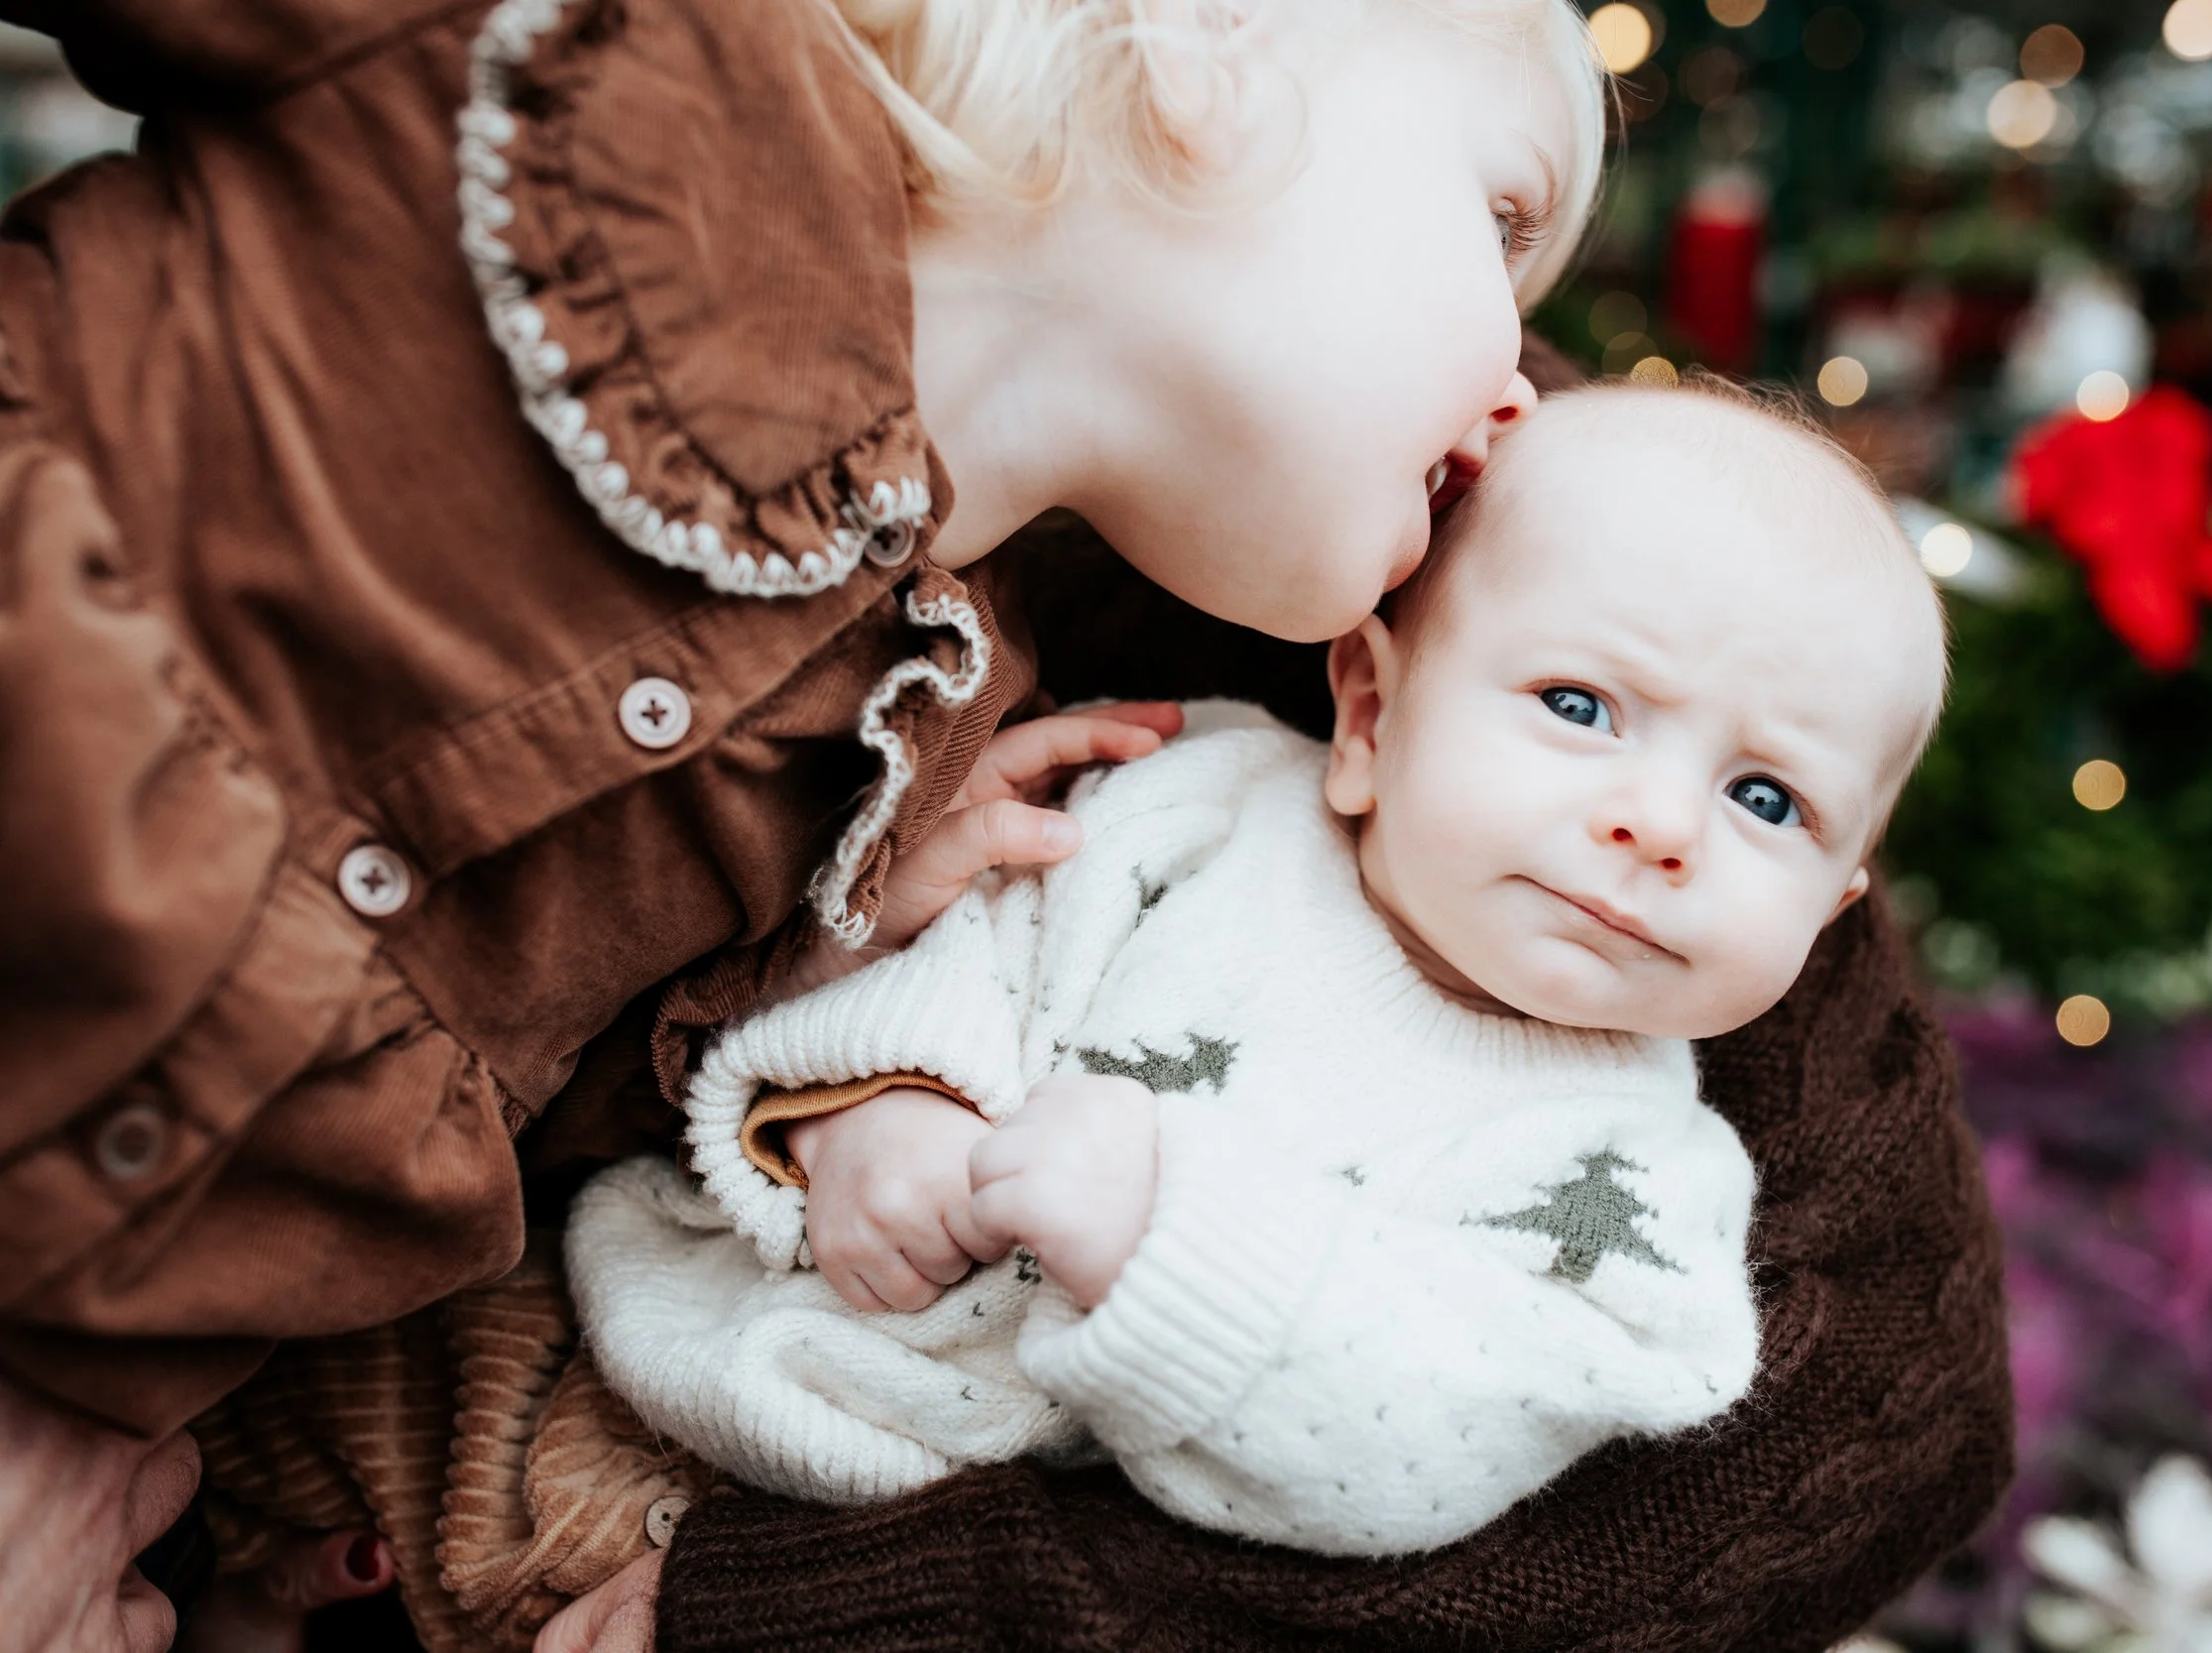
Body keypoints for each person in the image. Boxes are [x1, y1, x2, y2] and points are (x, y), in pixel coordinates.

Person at [0, 1, 2006, 1650]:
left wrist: (819, 990)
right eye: (1493, 229)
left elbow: (537, 1069)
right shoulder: (612, 69)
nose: (1512, 393)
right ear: (1208, 47)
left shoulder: (943, 716)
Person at [551, 379, 1946, 1567]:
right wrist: (877, 1100)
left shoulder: (1636, 1187)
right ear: (1369, 711)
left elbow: (1439, 1441)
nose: (1664, 826)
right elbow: (958, 931)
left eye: (1769, 800)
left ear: (1830, 909)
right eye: (1581, 708)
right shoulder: (1194, 802)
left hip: (890, 1550)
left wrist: (1172, 1249)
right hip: (622, 1363)